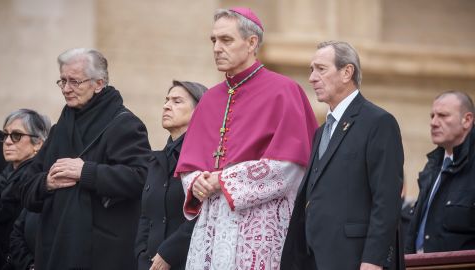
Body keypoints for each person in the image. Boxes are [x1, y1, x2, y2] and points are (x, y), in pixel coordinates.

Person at [174, 7, 317, 269]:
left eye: (226, 40)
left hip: (260, 226)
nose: (217, 48)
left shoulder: (284, 92)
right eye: (213, 40)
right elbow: (189, 166)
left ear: (252, 43)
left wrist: (223, 180)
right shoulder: (209, 99)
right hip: (211, 226)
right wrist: (197, 183)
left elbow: (290, 168)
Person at [19, 48, 152, 270]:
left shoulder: (124, 124)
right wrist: (46, 183)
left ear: (98, 84)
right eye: (62, 81)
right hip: (56, 248)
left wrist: (86, 172)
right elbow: (25, 187)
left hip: (102, 254)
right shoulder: (60, 129)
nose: (67, 89)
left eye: (75, 82)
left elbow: (142, 177)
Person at [281, 41, 404, 270]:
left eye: (321, 69)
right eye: (311, 70)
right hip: (314, 259)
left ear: (347, 72)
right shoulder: (321, 131)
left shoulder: (378, 122)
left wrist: (373, 260)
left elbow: (386, 199)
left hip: (354, 259)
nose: (312, 78)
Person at [135, 80, 207, 270]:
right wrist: (141, 255)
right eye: (167, 100)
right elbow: (146, 216)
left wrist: (168, 254)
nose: (166, 106)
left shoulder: (205, 158)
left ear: (198, 111)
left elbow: (202, 214)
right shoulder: (156, 161)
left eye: (177, 101)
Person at [405, 91, 475, 254]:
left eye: (443, 116)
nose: (434, 123)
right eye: (432, 116)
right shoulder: (433, 166)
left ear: (467, 120)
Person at [0, 109, 50, 269]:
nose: (8, 142)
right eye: (5, 135)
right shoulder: (3, 179)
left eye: (17, 136)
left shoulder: (38, 183)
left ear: (38, 144)